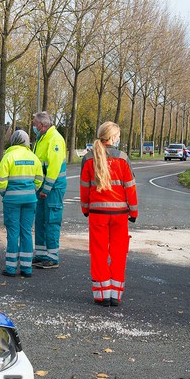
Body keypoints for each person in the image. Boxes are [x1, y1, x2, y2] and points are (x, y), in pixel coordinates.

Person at [80, 121, 138, 307]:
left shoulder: (89, 158)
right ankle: (115, 294)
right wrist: (133, 211)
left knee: (98, 252)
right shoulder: (123, 158)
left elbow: (84, 188)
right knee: (119, 253)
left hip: (97, 213)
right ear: (113, 138)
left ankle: (101, 295)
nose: (119, 139)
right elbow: (130, 188)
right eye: (118, 136)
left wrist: (85, 209)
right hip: (120, 214)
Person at [0, 130, 43, 278]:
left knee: (13, 233)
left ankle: (10, 268)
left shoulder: (8, 156)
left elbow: (0, 180)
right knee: (26, 232)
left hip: (12, 200)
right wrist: (30, 190)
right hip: (29, 199)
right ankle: (26, 268)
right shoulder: (34, 158)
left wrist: (5, 192)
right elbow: (39, 179)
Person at [31, 111, 67, 269]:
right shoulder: (42, 138)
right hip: (42, 187)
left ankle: (52, 257)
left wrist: (46, 188)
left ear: (42, 125)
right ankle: (41, 254)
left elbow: (53, 167)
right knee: (40, 220)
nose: (33, 127)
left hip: (52, 188)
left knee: (51, 221)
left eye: (35, 124)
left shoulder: (55, 139)